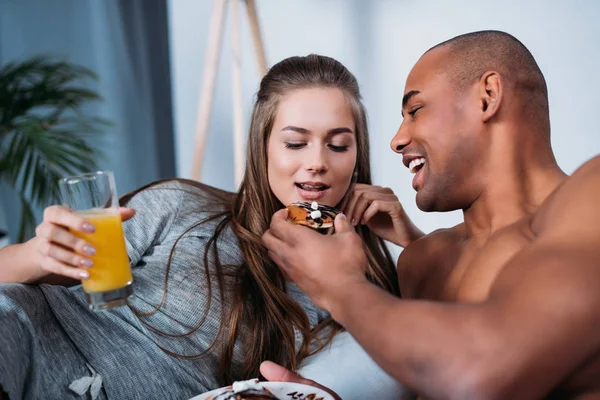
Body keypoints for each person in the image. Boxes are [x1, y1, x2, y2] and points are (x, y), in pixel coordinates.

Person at [0, 55, 411, 399]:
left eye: (338, 145)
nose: (318, 161)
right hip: (29, 340)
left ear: (357, 155)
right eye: (295, 142)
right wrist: (37, 253)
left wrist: (410, 241)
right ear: (262, 145)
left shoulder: (355, 277)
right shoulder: (182, 204)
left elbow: (442, 340)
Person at [262, 30, 600, 399]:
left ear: (488, 96)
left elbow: (483, 372)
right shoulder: (423, 261)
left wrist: (339, 286)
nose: (396, 140)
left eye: (416, 110)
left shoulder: (590, 196)